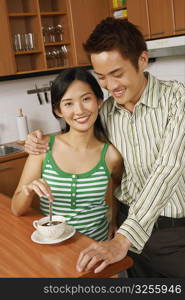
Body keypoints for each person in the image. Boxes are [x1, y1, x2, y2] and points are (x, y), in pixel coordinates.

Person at [24, 18, 185, 277]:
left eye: (117, 74)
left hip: (173, 234)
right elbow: (79, 131)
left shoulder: (178, 100)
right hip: (123, 227)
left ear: (142, 60)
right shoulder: (107, 111)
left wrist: (123, 239)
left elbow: (168, 168)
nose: (110, 86)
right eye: (101, 77)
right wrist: (42, 140)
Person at [12, 67, 124, 242]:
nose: (79, 110)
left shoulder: (111, 155)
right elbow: (16, 209)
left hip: (97, 248)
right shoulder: (43, 148)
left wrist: (114, 220)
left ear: (99, 101)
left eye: (86, 99)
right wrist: (28, 191)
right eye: (68, 103)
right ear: (58, 111)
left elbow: (119, 188)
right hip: (54, 248)